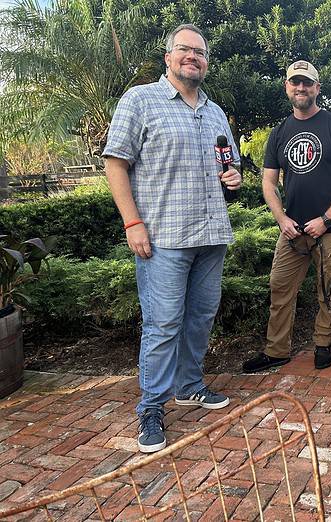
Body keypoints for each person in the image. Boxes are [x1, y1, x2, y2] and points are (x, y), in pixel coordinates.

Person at [103, 24, 241, 453]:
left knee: (201, 316)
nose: (192, 57)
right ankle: (151, 407)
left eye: (199, 53)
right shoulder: (140, 100)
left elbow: (228, 168)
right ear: (168, 57)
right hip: (162, 236)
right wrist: (132, 223)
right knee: (163, 324)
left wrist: (232, 178)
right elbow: (115, 162)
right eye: (184, 50)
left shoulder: (216, 112)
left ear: (205, 62)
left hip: (211, 233)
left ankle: (189, 385)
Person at [242, 60, 331, 373]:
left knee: (329, 291)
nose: (301, 88)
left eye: (307, 83)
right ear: (287, 87)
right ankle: (277, 350)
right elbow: (268, 182)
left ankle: (323, 344)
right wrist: (281, 218)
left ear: (317, 88)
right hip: (292, 230)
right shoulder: (280, 132)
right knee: (280, 287)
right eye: (295, 82)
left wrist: (327, 218)